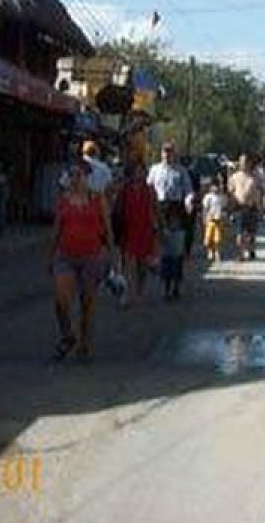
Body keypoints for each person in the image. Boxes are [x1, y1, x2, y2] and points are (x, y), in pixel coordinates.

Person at [49, 160, 115, 360]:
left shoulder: (97, 199)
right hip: (65, 255)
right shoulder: (64, 200)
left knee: (87, 302)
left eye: (79, 175)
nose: (75, 180)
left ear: (87, 178)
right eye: (72, 175)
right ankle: (68, 335)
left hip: (91, 256)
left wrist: (113, 257)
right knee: (61, 300)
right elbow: (56, 229)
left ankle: (85, 343)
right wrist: (50, 256)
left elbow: (108, 229)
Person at [147, 142, 195, 279]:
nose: (167, 154)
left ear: (175, 154)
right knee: (159, 240)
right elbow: (149, 188)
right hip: (159, 207)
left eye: (170, 151)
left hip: (175, 208)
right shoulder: (155, 169)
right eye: (165, 151)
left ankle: (176, 276)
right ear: (161, 153)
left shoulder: (181, 171)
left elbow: (188, 190)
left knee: (176, 244)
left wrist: (188, 202)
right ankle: (161, 270)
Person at [117, 162, 157, 304]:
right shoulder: (124, 190)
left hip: (144, 229)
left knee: (142, 265)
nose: (138, 174)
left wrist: (156, 227)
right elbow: (119, 209)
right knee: (128, 262)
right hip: (128, 228)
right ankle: (127, 293)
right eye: (136, 171)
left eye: (141, 171)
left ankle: (139, 290)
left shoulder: (149, 190)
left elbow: (154, 209)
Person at [229, 153, 265, 261]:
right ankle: (240, 254)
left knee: (251, 233)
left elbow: (261, 192)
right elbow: (230, 192)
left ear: (249, 163)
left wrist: (261, 206)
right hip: (239, 208)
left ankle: (251, 250)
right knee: (239, 233)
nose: (243, 164)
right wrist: (230, 208)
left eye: (245, 162)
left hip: (252, 208)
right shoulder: (234, 177)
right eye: (241, 161)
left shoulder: (255, 178)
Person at [202, 179, 229, 262]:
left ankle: (217, 252)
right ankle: (210, 251)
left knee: (218, 238)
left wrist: (226, 217)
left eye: (217, 186)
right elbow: (205, 208)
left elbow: (224, 207)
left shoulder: (222, 197)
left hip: (219, 219)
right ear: (210, 187)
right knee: (208, 237)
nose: (216, 188)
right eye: (214, 186)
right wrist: (204, 217)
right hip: (210, 219)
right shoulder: (208, 197)